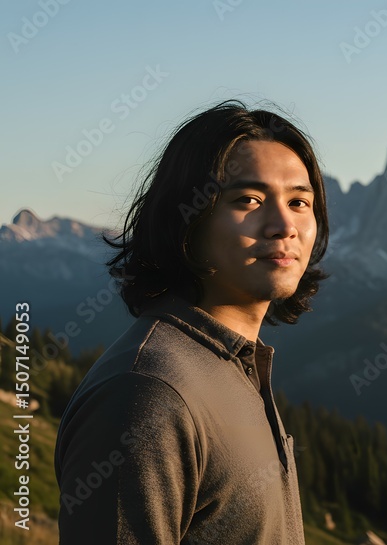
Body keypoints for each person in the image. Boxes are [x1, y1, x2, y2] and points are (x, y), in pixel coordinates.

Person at [54, 100, 329, 544]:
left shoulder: (235, 366)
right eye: (248, 200)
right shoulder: (147, 392)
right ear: (188, 217)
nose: (284, 225)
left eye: (300, 201)